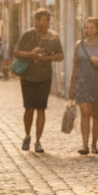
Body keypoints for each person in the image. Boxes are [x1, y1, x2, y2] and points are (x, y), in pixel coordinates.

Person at [13, 8, 64, 153]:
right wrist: (31, 54)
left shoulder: (53, 37)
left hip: (44, 76)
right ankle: (27, 135)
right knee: (29, 108)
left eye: (48, 20)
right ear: (36, 21)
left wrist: (46, 58)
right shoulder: (28, 35)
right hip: (28, 77)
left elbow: (60, 55)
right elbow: (16, 52)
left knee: (41, 108)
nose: (47, 23)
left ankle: (38, 141)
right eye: (44, 20)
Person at [69, 17, 98, 155]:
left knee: (97, 114)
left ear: (97, 29)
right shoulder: (79, 45)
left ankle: (94, 144)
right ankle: (85, 145)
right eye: (86, 28)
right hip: (83, 82)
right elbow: (75, 66)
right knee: (85, 113)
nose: (88, 31)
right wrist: (72, 88)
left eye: (91, 28)